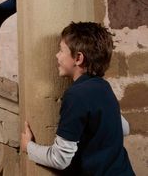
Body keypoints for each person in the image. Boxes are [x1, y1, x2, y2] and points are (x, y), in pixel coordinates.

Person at [21, 22, 135, 175]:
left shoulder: (76, 95)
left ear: (78, 58)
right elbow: (125, 128)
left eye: (61, 50)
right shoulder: (103, 86)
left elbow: (60, 158)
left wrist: (28, 146)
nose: (56, 55)